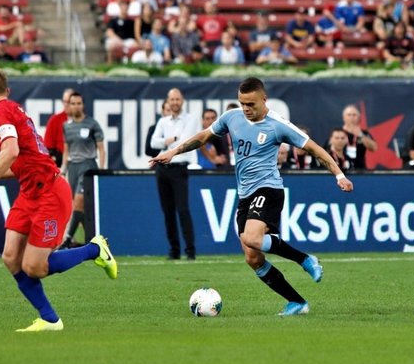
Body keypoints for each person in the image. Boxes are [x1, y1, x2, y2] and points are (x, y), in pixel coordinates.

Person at [150, 77, 354, 316]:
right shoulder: (232, 117)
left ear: (263, 99)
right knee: (252, 257)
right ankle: (297, 303)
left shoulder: (278, 124)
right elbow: (204, 136)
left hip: (269, 189)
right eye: (242, 102)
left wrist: (339, 175)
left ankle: (305, 259)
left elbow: (315, 149)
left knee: (253, 238)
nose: (246, 108)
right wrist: (173, 151)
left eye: (251, 103)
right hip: (245, 194)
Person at [0, 64, 116, 332]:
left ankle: (95, 249)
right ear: (6, 90)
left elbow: (10, 150)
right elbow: (21, 160)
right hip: (30, 192)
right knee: (10, 257)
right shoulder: (13, 110)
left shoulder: (0, 113)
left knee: (34, 267)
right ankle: (50, 320)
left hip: (50, 193)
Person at [150, 88, 200, 260]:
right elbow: (153, 142)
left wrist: (167, 145)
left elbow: (185, 140)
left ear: (182, 100)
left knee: (183, 210)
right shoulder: (163, 121)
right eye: (172, 99)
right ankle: (174, 250)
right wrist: (169, 140)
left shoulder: (190, 119)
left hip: (179, 168)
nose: (175, 102)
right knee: (168, 211)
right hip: (163, 169)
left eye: (178, 99)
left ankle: (190, 250)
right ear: (168, 101)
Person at [60, 92, 106, 249]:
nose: (76, 106)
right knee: (79, 208)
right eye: (73, 103)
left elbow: (101, 148)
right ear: (69, 105)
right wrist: (63, 169)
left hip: (88, 166)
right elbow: (66, 150)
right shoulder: (66, 126)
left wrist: (101, 169)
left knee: (79, 203)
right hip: (73, 167)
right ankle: (93, 241)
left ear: (83, 105)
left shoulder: (92, 124)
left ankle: (67, 239)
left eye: (79, 103)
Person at [43, 88, 74, 168]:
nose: (66, 104)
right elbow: (47, 147)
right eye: (64, 101)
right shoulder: (55, 120)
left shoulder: (83, 122)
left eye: (69, 102)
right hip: (59, 165)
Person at [341, 104, 377, 170]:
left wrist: (360, 135)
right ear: (344, 118)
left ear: (359, 118)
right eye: (349, 115)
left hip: (360, 169)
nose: (351, 117)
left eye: (354, 115)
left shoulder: (364, 133)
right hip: (342, 169)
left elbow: (374, 148)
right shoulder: (338, 133)